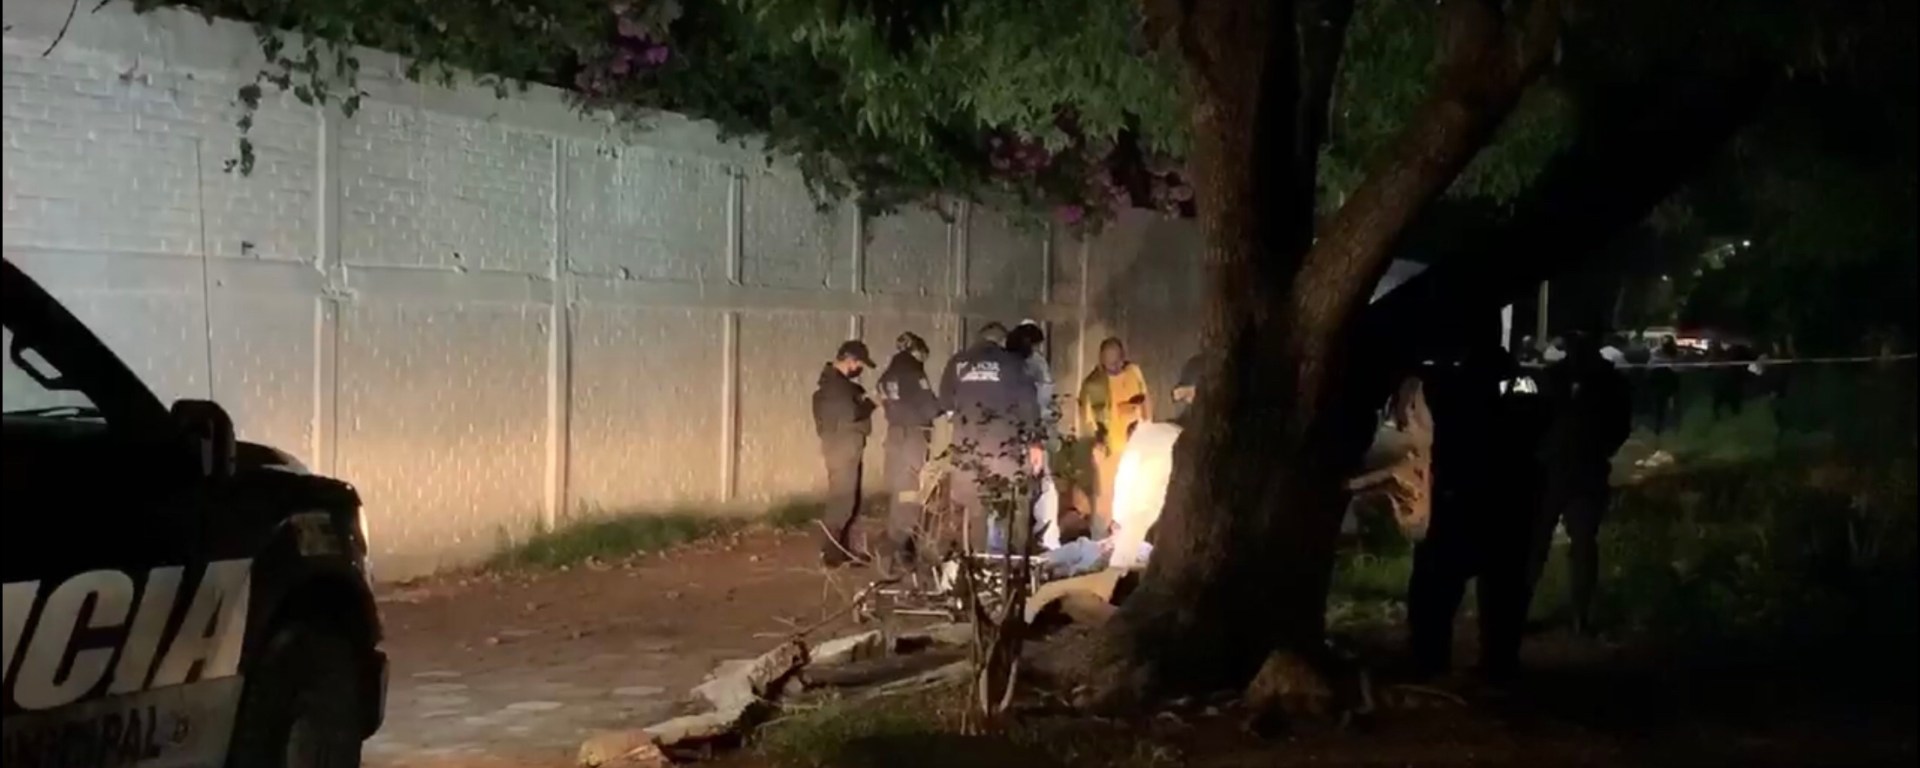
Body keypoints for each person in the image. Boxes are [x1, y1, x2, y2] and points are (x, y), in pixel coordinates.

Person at [1402, 345, 1538, 681]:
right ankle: (1494, 664)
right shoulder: (1512, 398)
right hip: (1499, 505)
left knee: (1439, 588)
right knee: (1499, 592)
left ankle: (1434, 661)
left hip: (1463, 502)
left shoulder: (1454, 394)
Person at [1530, 332, 1633, 637]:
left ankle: (1575, 615)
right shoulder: (1564, 378)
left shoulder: (1592, 381)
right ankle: (1574, 616)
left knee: (1567, 543)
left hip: (1573, 470)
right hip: (1564, 469)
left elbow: (1619, 426)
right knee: (1559, 543)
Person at [939, 323, 1043, 554]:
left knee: (974, 507)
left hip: (967, 451)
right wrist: (1035, 443)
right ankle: (1009, 561)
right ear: (1002, 341)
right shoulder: (1013, 364)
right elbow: (1029, 405)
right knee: (1009, 506)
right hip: (1003, 451)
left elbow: (946, 405)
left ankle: (976, 558)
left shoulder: (957, 363)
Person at [811, 339, 878, 567]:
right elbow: (851, 413)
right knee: (843, 500)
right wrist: (870, 403)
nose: (859, 369)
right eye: (859, 364)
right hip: (843, 448)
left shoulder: (832, 385)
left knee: (847, 499)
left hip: (840, 446)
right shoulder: (838, 387)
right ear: (850, 360)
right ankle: (832, 553)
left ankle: (841, 549)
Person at [876, 332, 939, 568]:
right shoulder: (914, 372)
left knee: (898, 490)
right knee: (911, 490)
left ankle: (894, 538)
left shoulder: (886, 376)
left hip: (894, 434)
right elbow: (930, 407)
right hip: (913, 436)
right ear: (916, 352)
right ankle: (901, 546)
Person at [1079, 338, 1152, 538]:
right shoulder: (1093, 384)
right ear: (1101, 361)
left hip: (1135, 447)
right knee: (1105, 501)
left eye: (1118, 361)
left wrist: (1146, 427)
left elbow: (1145, 401)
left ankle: (1133, 540)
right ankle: (1099, 541)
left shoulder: (1134, 372)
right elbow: (1088, 421)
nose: (1115, 367)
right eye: (1110, 363)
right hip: (1109, 450)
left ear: (1123, 357)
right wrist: (1097, 442)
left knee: (1135, 498)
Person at [1008, 321, 1063, 549]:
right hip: (1032, 439)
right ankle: (1046, 543)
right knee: (1045, 493)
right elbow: (1040, 402)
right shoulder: (1034, 365)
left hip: (1008, 440)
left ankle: (1006, 547)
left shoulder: (1006, 364)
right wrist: (1047, 423)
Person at [1646, 336, 1681, 435]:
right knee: (1659, 405)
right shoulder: (1656, 352)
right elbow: (1650, 367)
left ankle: (1669, 425)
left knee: (1667, 405)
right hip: (1660, 381)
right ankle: (1659, 426)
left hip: (1666, 382)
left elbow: (1676, 368)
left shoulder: (1673, 353)